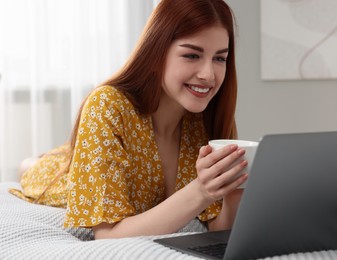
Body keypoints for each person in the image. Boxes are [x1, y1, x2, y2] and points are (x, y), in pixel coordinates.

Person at [9, 0, 248, 239]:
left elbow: (217, 225)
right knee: (37, 170)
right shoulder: (107, 105)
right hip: (67, 171)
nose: (208, 75)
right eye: (192, 55)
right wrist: (201, 191)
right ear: (157, 52)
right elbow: (107, 236)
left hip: (101, 151)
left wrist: (235, 188)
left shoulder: (207, 116)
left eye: (219, 59)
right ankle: (33, 162)